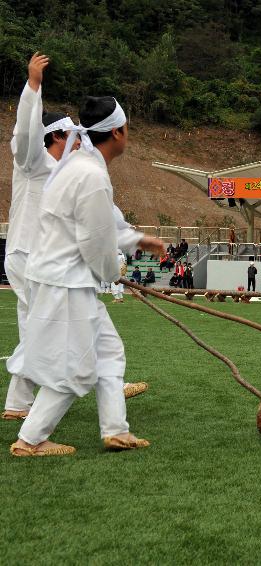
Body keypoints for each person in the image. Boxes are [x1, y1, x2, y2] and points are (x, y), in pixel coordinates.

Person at [11, 95, 166, 457]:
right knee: (74, 367)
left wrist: (138, 239)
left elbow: (102, 225)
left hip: (64, 278)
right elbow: (96, 241)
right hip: (66, 282)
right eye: (128, 130)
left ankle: (116, 430)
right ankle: (30, 440)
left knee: (109, 352)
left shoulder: (79, 166)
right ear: (117, 132)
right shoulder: (91, 174)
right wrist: (115, 274)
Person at [3, 52, 80, 421]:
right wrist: (33, 86)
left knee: (36, 324)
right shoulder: (33, 162)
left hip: (40, 259)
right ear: (55, 137)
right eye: (72, 137)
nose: (77, 143)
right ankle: (100, 378)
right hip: (27, 254)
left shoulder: (60, 173)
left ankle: (19, 401)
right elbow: (27, 134)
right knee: (47, 325)